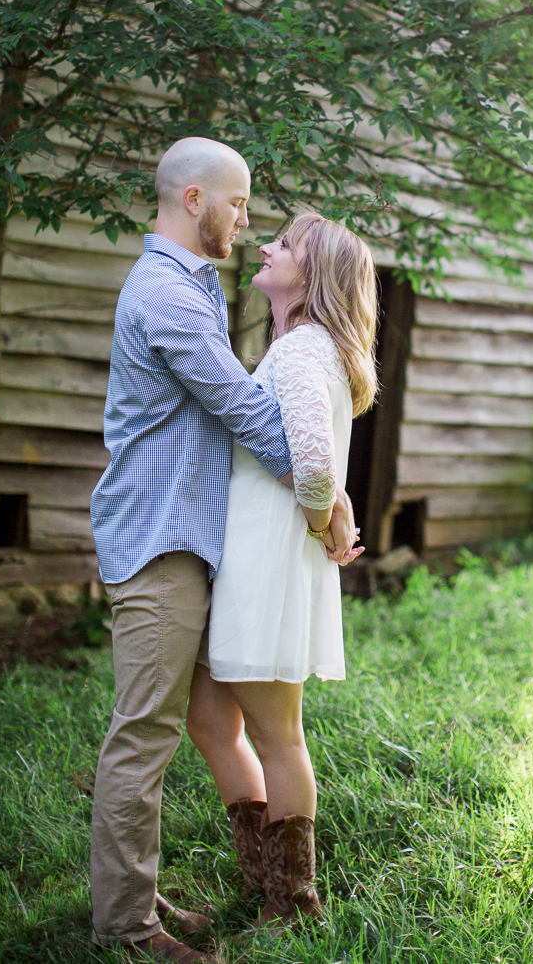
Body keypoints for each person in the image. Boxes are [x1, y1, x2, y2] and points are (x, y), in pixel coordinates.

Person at [88, 139, 357, 963]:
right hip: (163, 540)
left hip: (196, 542)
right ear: (195, 197)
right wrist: (329, 500)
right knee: (146, 734)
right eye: (239, 206)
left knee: (203, 719)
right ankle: (129, 928)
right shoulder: (168, 296)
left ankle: (215, 892)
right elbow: (241, 408)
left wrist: (325, 494)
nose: (249, 224)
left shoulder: (194, 286)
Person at [184, 212, 377, 930]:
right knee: (209, 720)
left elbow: (315, 466)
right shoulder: (304, 347)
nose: (266, 246)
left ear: (315, 273)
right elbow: (314, 454)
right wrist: (332, 509)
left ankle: (293, 904)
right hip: (254, 558)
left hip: (268, 562)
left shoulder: (300, 352)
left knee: (278, 736)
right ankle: (260, 877)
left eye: (287, 244)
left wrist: (321, 517)